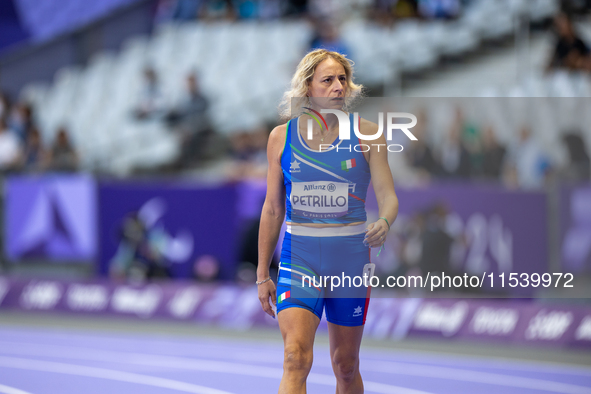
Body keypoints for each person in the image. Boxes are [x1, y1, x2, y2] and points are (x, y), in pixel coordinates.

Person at [257, 49, 399, 393]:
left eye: (342, 79)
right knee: (295, 357)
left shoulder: (368, 134)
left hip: (349, 260)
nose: (338, 86)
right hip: (299, 257)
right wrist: (262, 273)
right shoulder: (280, 137)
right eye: (328, 80)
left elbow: (389, 196)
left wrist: (384, 221)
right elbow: (273, 208)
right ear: (308, 87)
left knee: (346, 365)